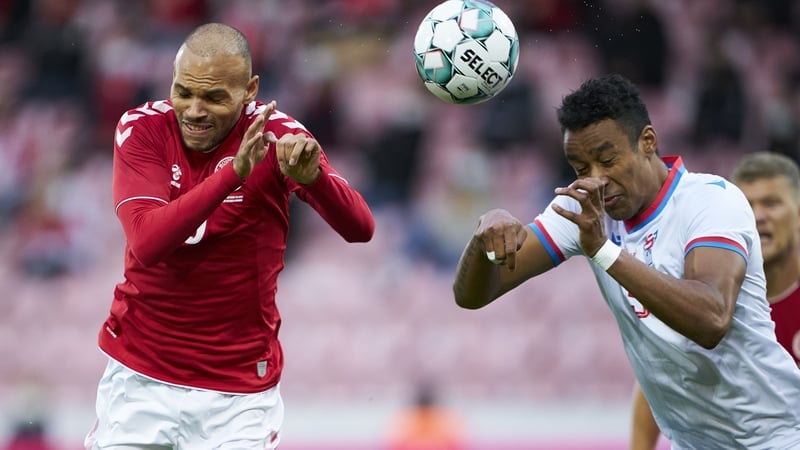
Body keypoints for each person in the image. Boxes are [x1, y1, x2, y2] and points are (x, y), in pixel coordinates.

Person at [451, 74, 800, 449]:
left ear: (647, 142)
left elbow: (711, 320)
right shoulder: (581, 210)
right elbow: (473, 296)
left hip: (776, 437)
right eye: (581, 168)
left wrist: (603, 250)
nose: (596, 180)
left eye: (607, 160)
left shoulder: (711, 201)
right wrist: (484, 237)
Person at [84, 23, 375, 449]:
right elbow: (147, 243)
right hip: (140, 377)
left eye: (215, 97)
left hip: (238, 394)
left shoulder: (280, 135)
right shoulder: (143, 129)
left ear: (249, 89)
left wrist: (315, 181)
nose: (195, 110)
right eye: (184, 91)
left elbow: (361, 228)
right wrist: (235, 174)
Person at [629, 151, 800, 449]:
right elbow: (659, 383)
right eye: (748, 205)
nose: (758, 216)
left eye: (772, 203)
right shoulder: (700, 300)